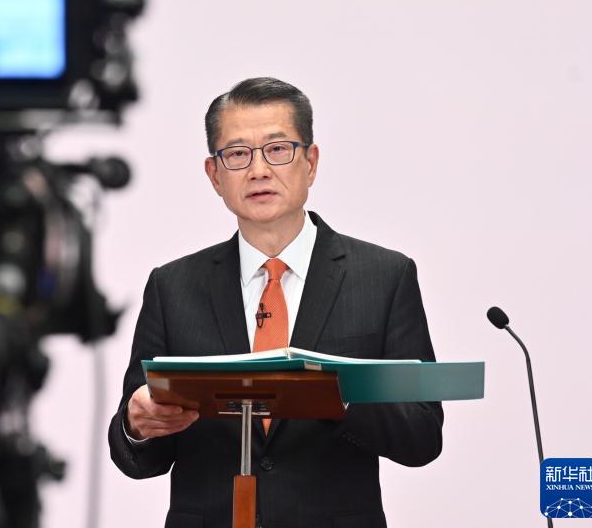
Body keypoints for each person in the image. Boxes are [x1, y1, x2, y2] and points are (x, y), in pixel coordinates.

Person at [108, 77, 443, 528]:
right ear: (214, 175)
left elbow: (422, 436)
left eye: (278, 149)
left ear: (311, 162)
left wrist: (335, 397)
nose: (259, 170)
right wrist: (136, 425)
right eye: (238, 154)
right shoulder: (172, 287)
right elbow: (136, 455)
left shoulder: (384, 277)